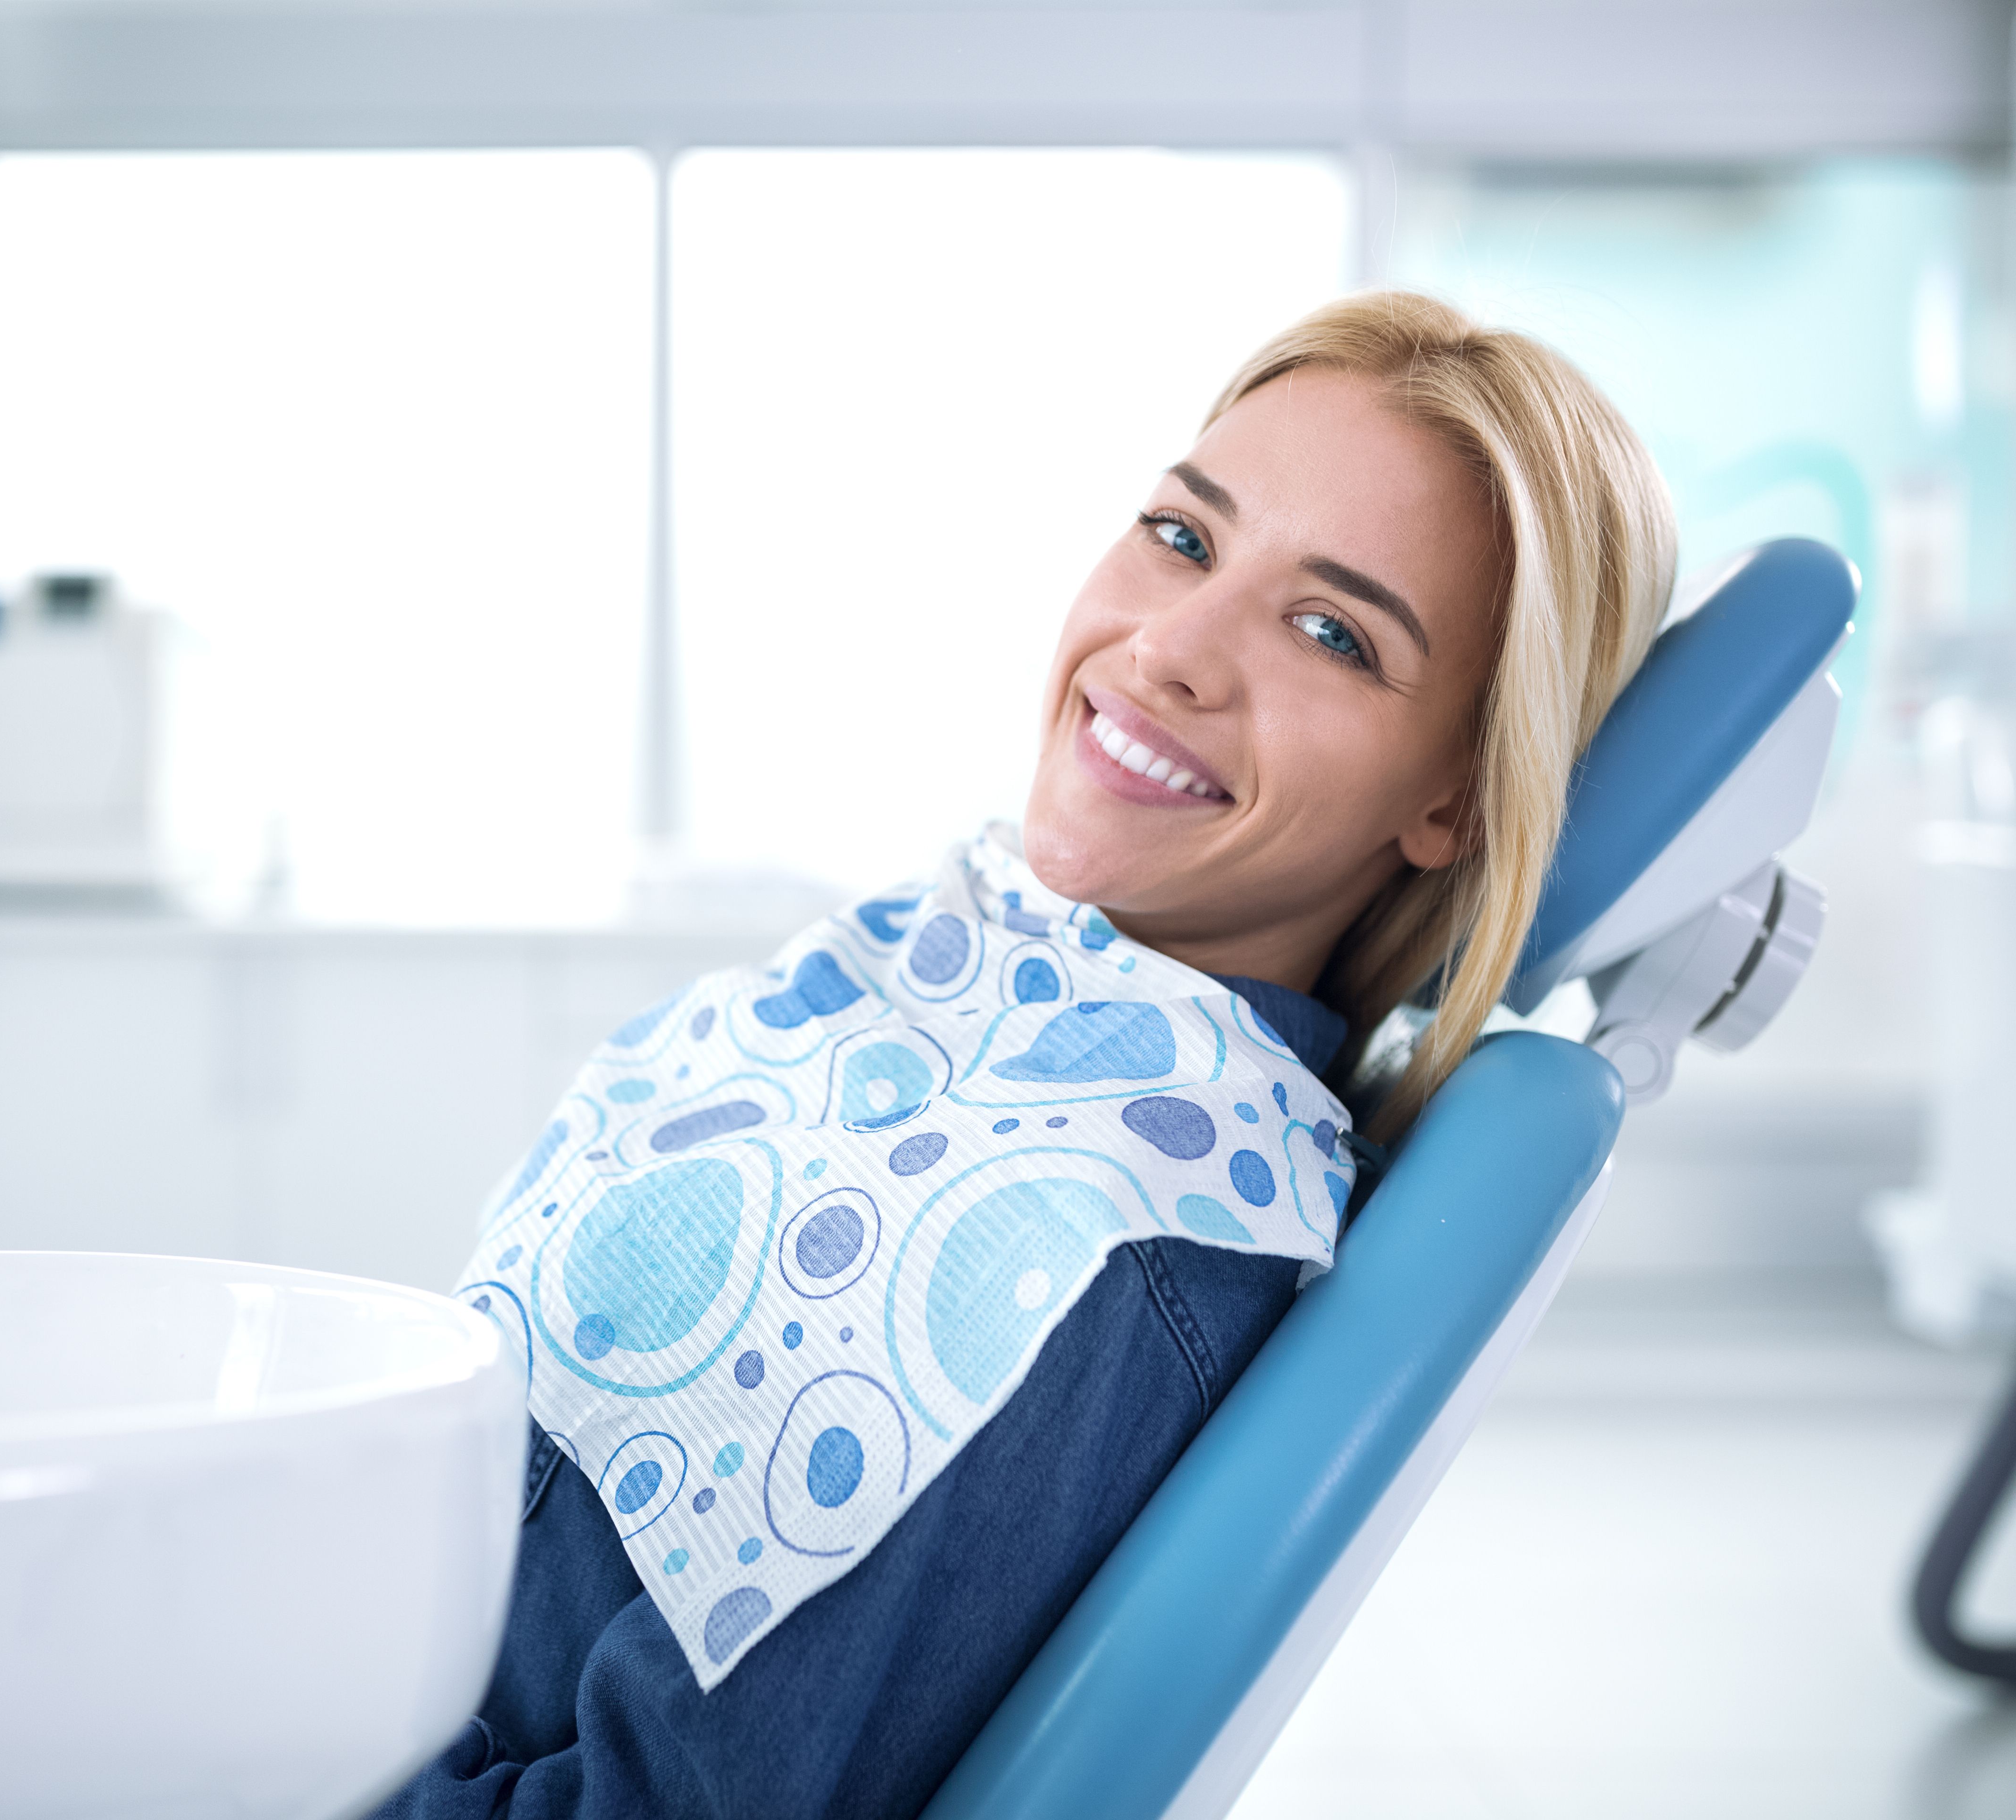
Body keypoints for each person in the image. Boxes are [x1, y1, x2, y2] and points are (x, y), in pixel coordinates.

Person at [375, 290, 1675, 1819]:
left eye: (1333, 631)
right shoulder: (952, 971)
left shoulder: (1092, 1244)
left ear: (1452, 801)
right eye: (1183, 538)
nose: (1170, 648)